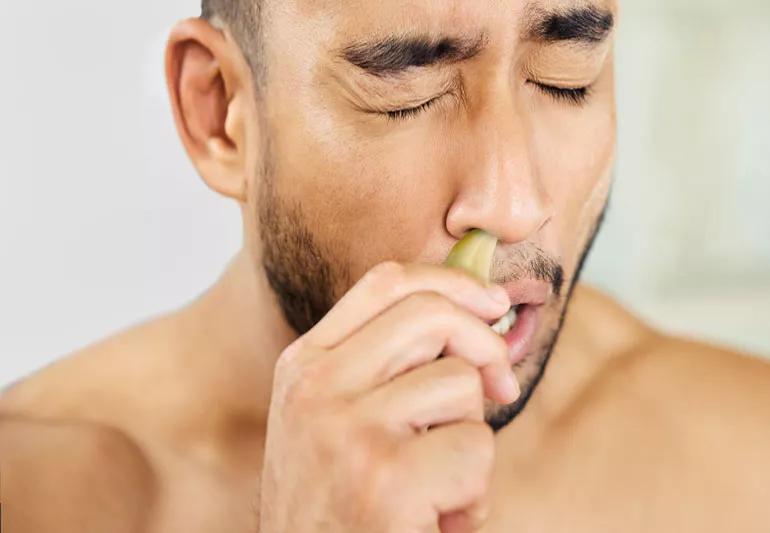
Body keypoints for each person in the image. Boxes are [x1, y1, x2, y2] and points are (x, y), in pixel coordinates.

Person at [2, 1, 769, 531]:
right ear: (221, 115)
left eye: (568, 75)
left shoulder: (742, 458)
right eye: (407, 91)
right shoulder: (32, 494)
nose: (512, 202)